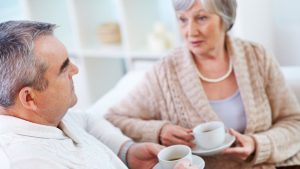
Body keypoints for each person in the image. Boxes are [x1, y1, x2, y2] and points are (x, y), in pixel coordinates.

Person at [105, 0, 300, 168]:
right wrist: (159, 131)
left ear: (225, 18)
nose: (190, 31)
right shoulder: (165, 73)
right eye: (183, 19)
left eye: (201, 18)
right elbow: (114, 118)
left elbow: (294, 122)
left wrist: (258, 144)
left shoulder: (257, 57)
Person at [0, 20, 168, 169]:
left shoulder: (47, 116)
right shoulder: (27, 162)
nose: (75, 70)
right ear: (29, 98)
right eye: (63, 68)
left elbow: (89, 121)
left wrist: (127, 151)